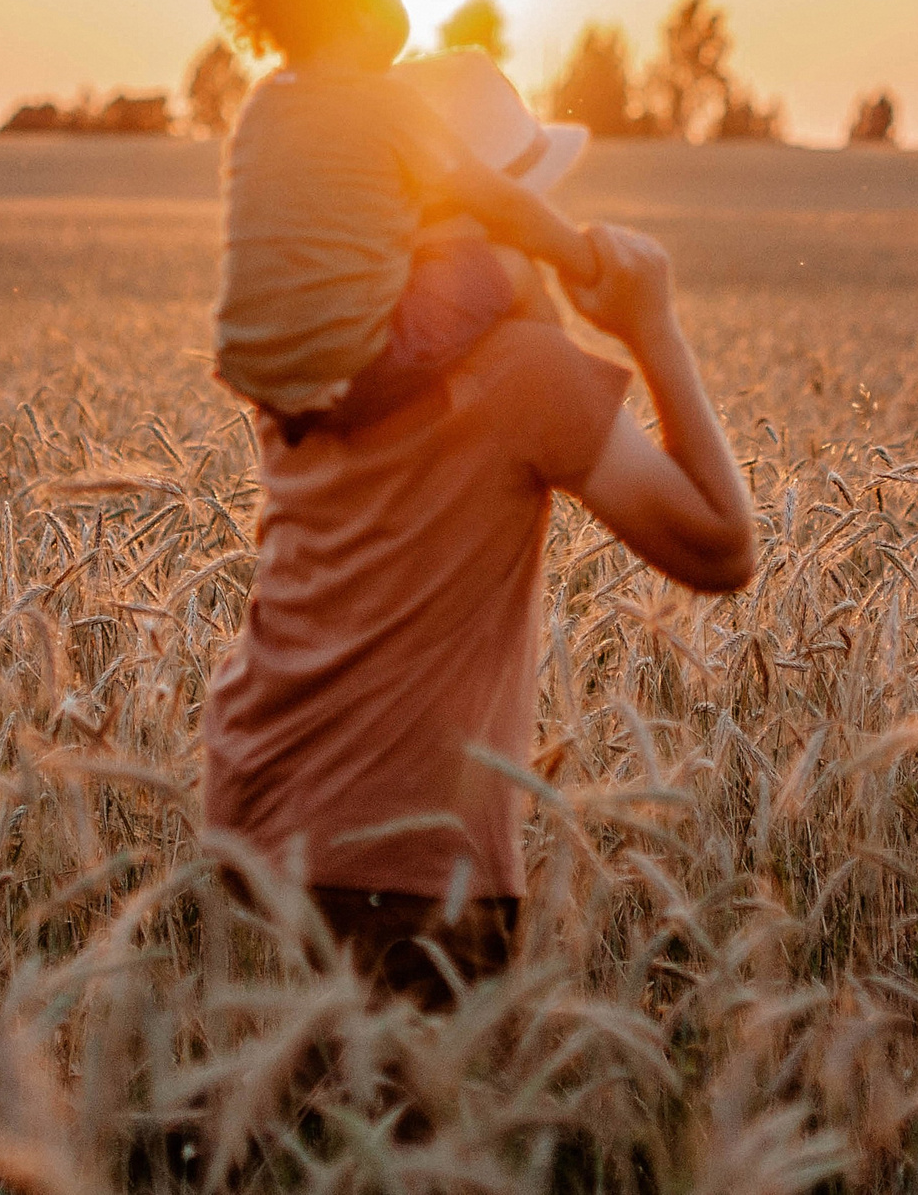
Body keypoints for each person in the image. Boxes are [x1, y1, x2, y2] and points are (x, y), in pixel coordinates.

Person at [202, 212, 756, 1008]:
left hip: (251, 804)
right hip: (406, 857)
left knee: (279, 1123)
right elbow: (721, 549)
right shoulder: (522, 375)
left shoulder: (307, 361)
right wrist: (653, 328)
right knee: (414, 1125)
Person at [211, 0, 603, 442]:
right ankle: (580, 428)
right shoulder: (386, 102)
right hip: (356, 371)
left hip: (257, 375)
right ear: (359, 7)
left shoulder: (262, 106)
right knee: (513, 272)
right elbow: (497, 202)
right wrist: (583, 258)